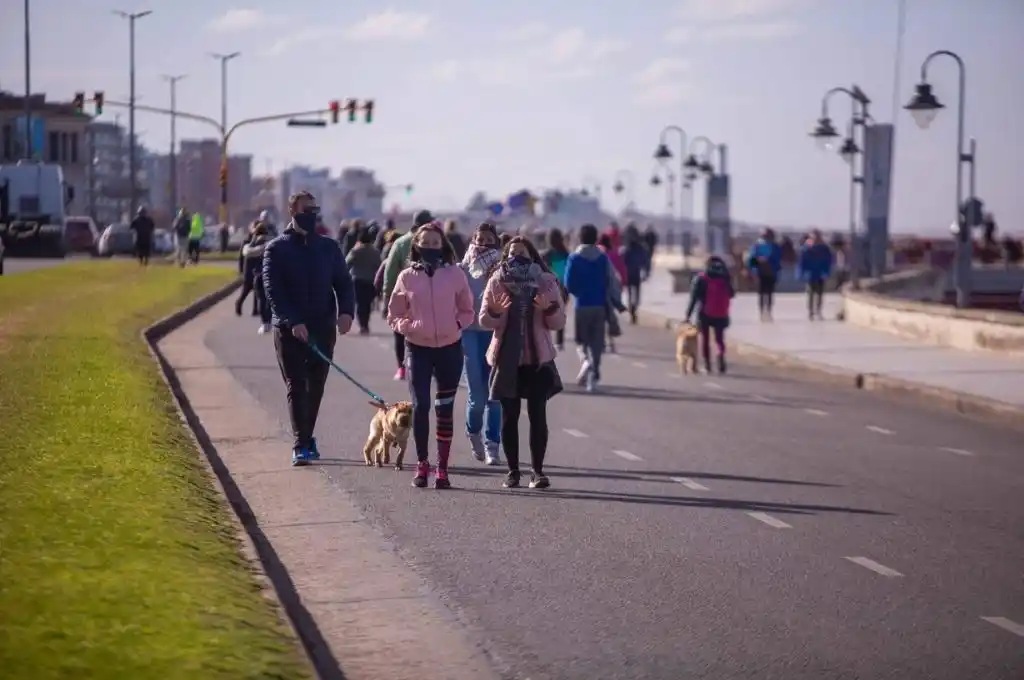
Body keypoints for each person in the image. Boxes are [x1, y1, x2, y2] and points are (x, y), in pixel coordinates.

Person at [263, 191, 355, 466]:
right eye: (306, 209)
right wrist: (292, 321)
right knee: (296, 385)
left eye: (315, 209)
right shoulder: (276, 249)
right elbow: (273, 290)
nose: (311, 214)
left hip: (322, 326)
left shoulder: (328, 247)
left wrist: (346, 312)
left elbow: (344, 282)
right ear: (292, 211)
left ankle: (306, 435)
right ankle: (300, 444)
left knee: (315, 386)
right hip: (289, 330)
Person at [387, 221, 475, 489]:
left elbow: (467, 310)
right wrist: (409, 327)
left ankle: (442, 469)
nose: (430, 247)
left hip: (450, 348)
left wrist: (456, 324)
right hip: (418, 348)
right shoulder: (407, 277)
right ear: (416, 245)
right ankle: (422, 463)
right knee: (421, 406)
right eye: (425, 243)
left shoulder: (455, 274)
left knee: (444, 408)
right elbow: (394, 314)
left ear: (443, 245)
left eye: (435, 243)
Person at [480, 236, 565, 489]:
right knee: (510, 416)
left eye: (523, 252)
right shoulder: (497, 280)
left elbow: (559, 322)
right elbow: (484, 320)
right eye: (512, 252)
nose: (517, 256)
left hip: (537, 360)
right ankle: (513, 471)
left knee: (538, 415)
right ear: (505, 257)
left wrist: (549, 309)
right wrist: (495, 312)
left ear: (532, 256)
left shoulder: (546, 281)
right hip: (507, 359)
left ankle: (537, 472)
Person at [459, 222, 504, 465]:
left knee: (494, 395)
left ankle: (492, 444)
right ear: (473, 240)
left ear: (496, 242)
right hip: (469, 333)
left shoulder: (502, 269)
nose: (483, 244)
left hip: (494, 334)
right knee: (477, 395)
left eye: (488, 240)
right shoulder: (462, 269)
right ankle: (473, 431)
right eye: (479, 239)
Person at [564, 224, 620, 393]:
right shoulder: (602, 258)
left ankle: (585, 361)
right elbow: (611, 280)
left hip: (582, 305)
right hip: (600, 305)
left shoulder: (574, 258)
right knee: (597, 342)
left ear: (580, 238)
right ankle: (593, 377)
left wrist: (578, 293)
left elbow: (568, 283)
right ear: (596, 239)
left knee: (581, 341)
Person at [382, 209, 435, 381]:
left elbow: (390, 272)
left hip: (403, 294)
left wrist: (387, 295)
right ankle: (426, 367)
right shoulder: (435, 242)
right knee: (425, 330)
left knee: (400, 331)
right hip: (427, 295)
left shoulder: (400, 243)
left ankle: (402, 367)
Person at [685, 255, 735, 374]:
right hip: (721, 313)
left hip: (705, 313)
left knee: (705, 339)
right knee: (719, 339)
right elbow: (732, 294)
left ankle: (707, 365)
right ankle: (720, 354)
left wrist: (688, 315)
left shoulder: (701, 278)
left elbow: (694, 298)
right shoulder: (725, 277)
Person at [346, 226, 383, 335]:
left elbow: (347, 263)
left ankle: (362, 325)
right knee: (367, 304)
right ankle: (365, 324)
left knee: (359, 303)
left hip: (357, 279)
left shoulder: (355, 250)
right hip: (370, 280)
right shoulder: (375, 252)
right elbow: (379, 266)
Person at [540, 228, 570, 350]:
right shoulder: (567, 254)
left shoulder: (546, 255)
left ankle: (545, 339)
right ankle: (559, 341)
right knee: (560, 313)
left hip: (549, 288)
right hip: (564, 288)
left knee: (546, 313)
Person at [237, 221, 270, 325]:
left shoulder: (261, 243)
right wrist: (241, 269)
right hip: (249, 270)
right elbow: (243, 255)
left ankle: (256, 310)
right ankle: (238, 304)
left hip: (257, 272)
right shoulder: (248, 243)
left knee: (257, 293)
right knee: (246, 290)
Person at [598, 232, 626, 353]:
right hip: (608, 291)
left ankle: (602, 343)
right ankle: (611, 343)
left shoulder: (596, 254)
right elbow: (620, 270)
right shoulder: (613, 254)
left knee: (600, 320)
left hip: (596, 292)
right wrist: (623, 283)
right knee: (609, 318)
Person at [797, 229, 834, 320]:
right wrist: (801, 273)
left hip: (820, 273)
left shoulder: (824, 248)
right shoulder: (807, 248)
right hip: (810, 274)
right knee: (811, 293)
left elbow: (829, 261)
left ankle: (818, 310)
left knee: (819, 293)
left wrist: (826, 272)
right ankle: (811, 311)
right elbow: (802, 261)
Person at [747, 228, 782, 321]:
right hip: (760, 271)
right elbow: (752, 259)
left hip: (771, 272)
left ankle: (769, 311)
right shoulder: (757, 246)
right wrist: (756, 264)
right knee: (761, 293)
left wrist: (769, 261)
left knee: (769, 293)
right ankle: (762, 311)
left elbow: (777, 259)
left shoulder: (775, 246)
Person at [620, 225, 651, 325]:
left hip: (630, 273)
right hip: (635, 273)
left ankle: (632, 309)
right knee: (636, 294)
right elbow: (645, 261)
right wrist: (646, 272)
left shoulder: (627, 248)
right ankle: (633, 308)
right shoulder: (639, 248)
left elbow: (622, 261)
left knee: (631, 294)